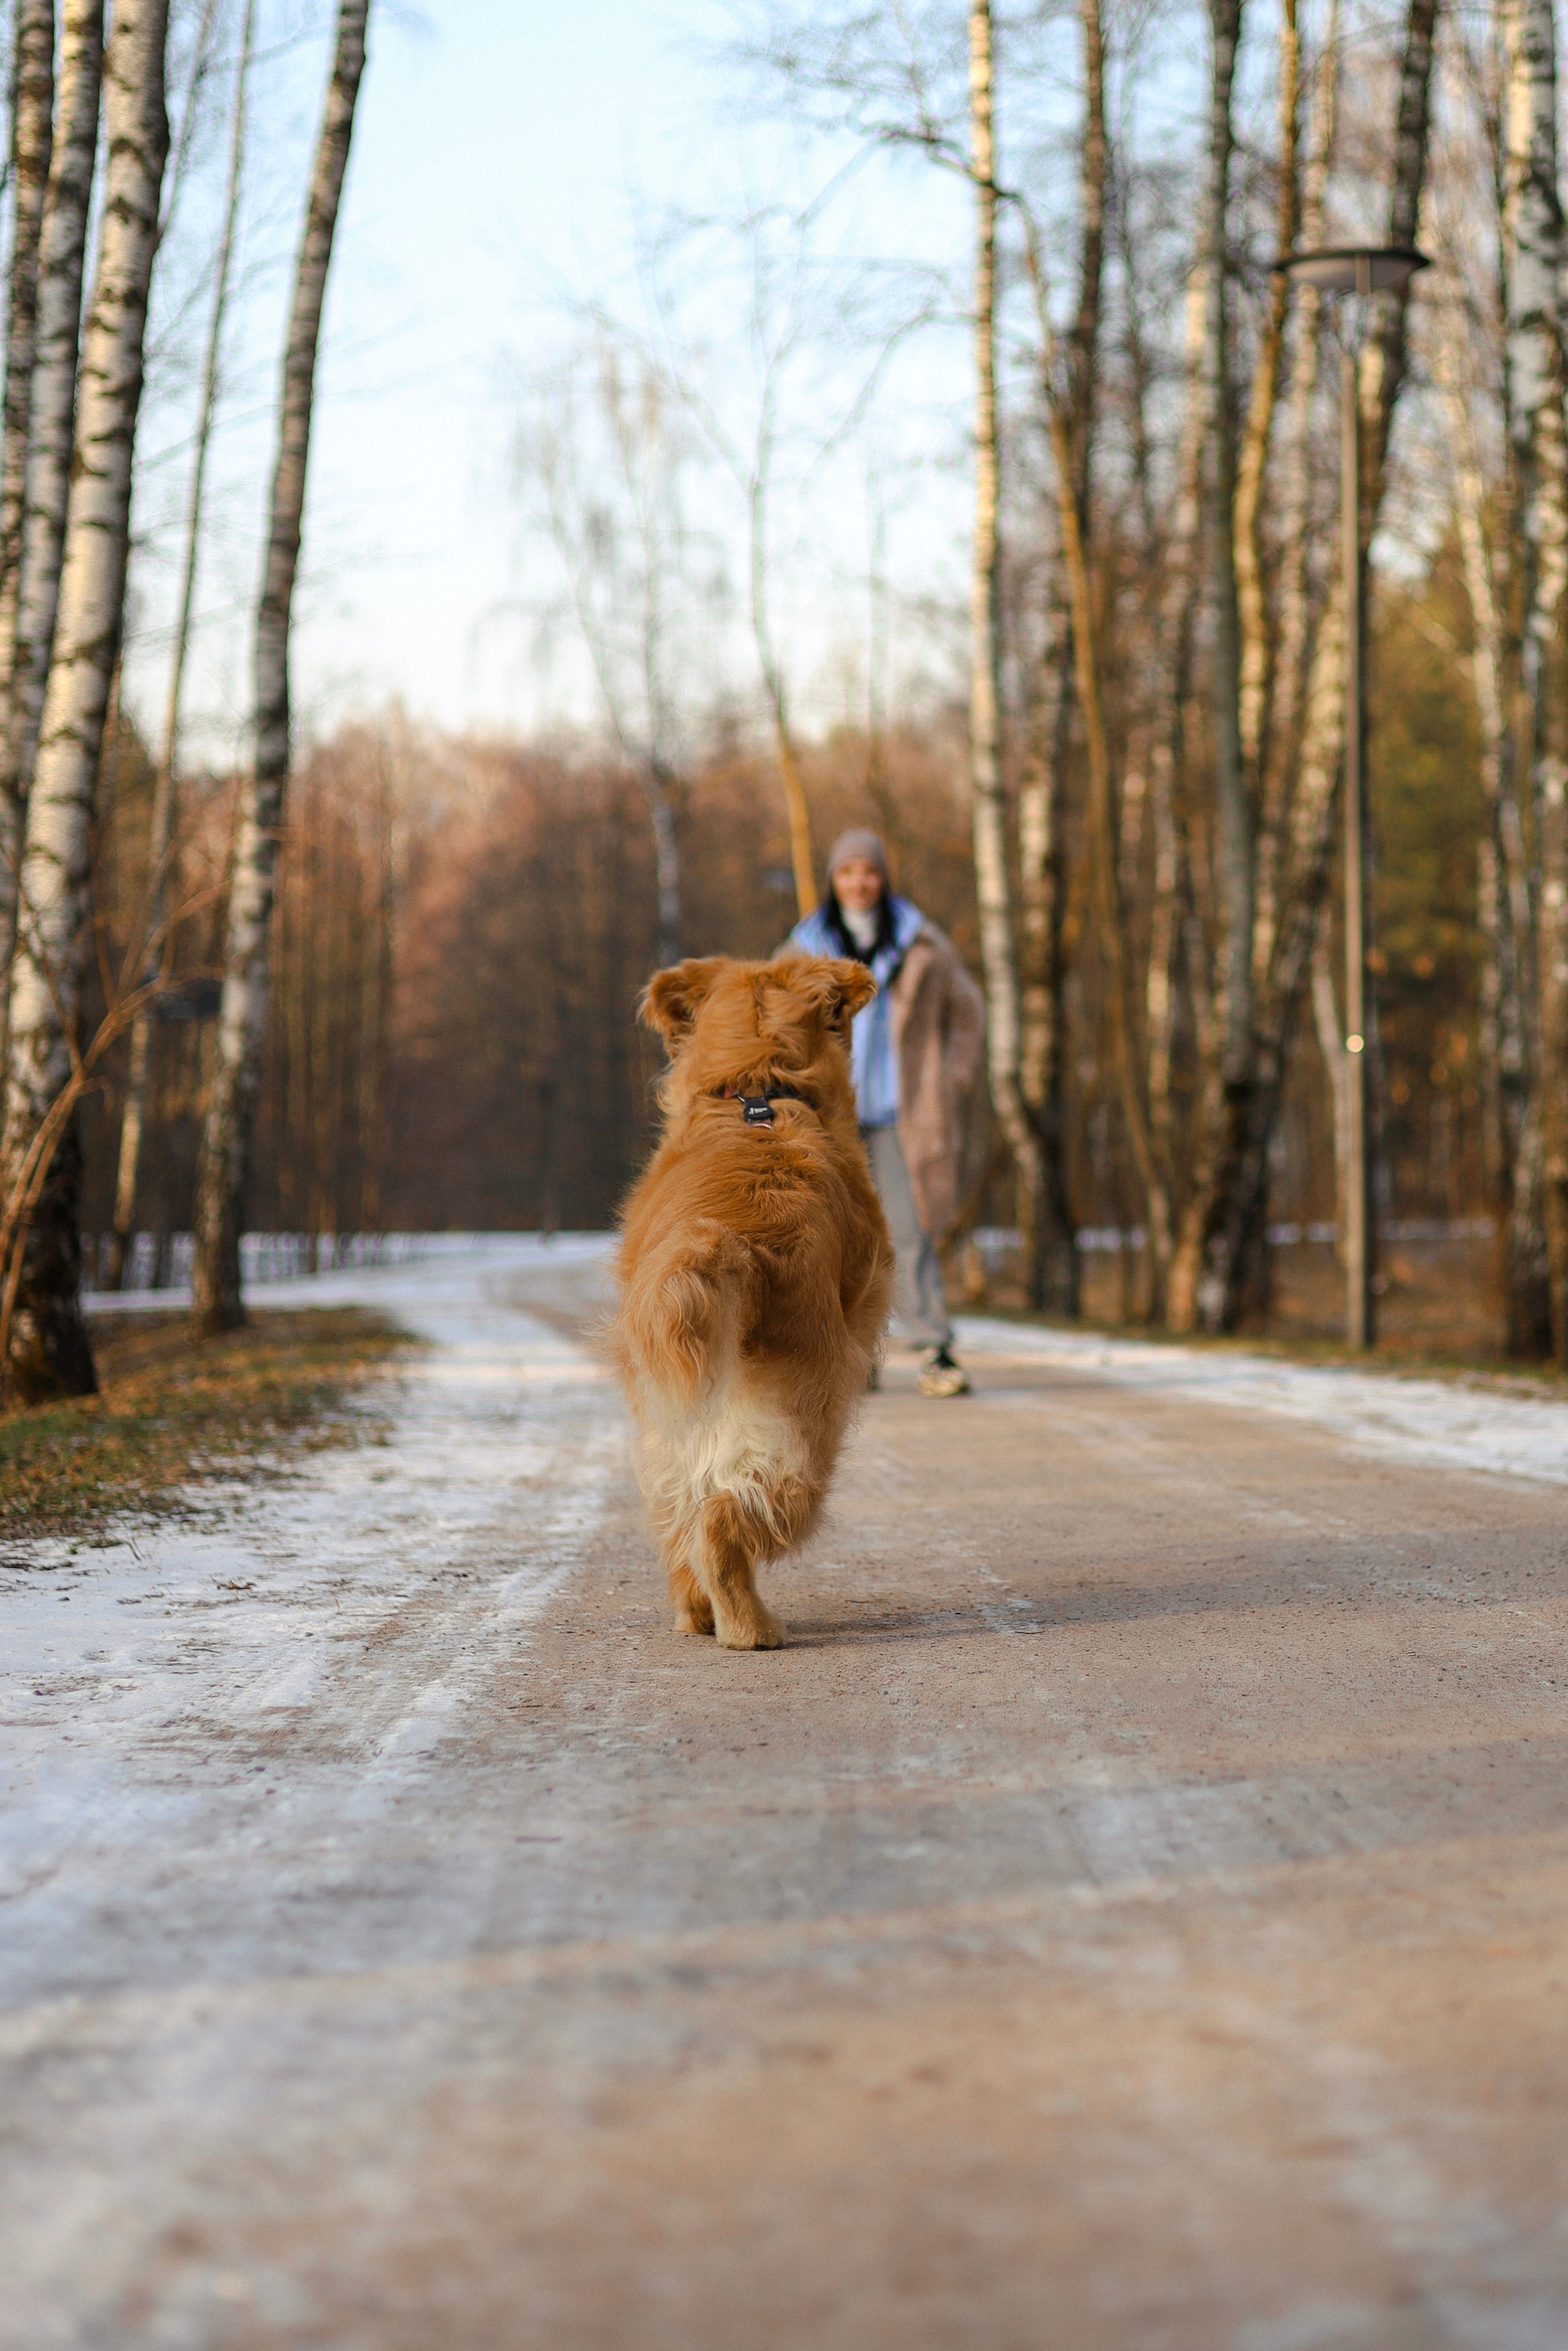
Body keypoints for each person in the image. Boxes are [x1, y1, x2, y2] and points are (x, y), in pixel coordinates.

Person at [786, 829, 985, 1397]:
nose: (859, 883)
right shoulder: (805, 946)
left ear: (884, 877)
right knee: (837, 1237)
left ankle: (936, 1351)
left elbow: (969, 1013)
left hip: (904, 1114)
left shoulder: (921, 943)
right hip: (831, 1117)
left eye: (868, 872)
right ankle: (854, 1356)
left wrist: (952, 1078)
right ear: (833, 880)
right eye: (847, 872)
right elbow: (769, 1013)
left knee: (911, 1230)